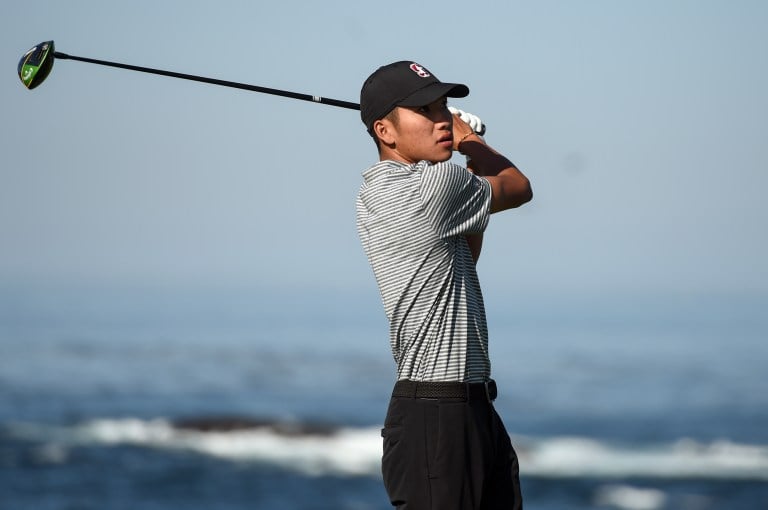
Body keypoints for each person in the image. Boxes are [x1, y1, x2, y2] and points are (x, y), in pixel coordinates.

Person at [355, 61, 533, 510]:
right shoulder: (435, 186)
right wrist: (472, 142)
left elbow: (463, 255)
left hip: (461, 409)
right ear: (385, 131)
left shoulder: (377, 192)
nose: (441, 120)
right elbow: (518, 185)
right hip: (439, 417)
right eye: (425, 111)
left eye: (442, 107)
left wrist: (465, 160)